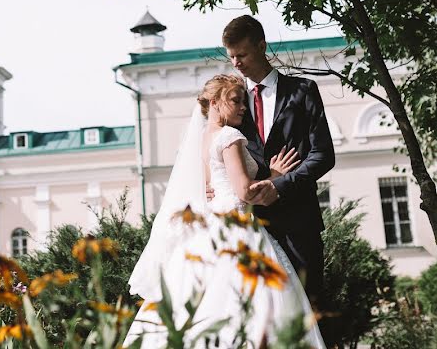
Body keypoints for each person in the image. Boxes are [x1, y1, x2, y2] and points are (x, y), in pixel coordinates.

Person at [124, 75, 326, 348]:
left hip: (211, 227)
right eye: (236, 101)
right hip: (238, 226)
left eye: (244, 101)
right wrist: (276, 176)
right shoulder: (230, 137)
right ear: (215, 103)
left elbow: (214, 188)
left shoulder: (204, 139)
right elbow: (243, 192)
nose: (243, 107)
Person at [220, 15, 335, 305]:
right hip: (251, 231)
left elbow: (323, 155)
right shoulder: (231, 103)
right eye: (231, 57)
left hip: (300, 226)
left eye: (242, 54)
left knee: (309, 313)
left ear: (261, 46)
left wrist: (280, 185)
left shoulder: (303, 91)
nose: (236, 63)